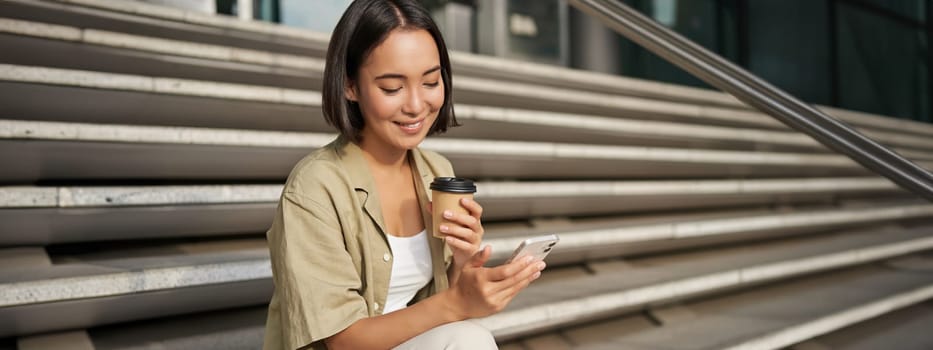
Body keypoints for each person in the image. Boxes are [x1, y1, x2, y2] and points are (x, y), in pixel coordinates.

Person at [262, 0, 547, 349]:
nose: (415, 105)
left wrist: (463, 264)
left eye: (430, 82)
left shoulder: (436, 172)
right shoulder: (315, 188)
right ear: (350, 85)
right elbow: (341, 341)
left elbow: (439, 308)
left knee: (468, 337)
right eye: (392, 88)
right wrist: (456, 302)